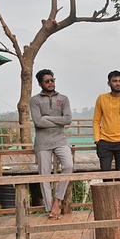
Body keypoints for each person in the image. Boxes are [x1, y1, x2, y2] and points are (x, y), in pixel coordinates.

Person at [30, 69, 74, 220]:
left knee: (68, 165)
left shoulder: (63, 98)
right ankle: (51, 209)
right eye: (47, 81)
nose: (51, 83)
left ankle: (57, 200)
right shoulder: (35, 100)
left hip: (60, 139)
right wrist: (56, 119)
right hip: (42, 142)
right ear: (40, 83)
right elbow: (37, 121)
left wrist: (47, 117)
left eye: (52, 80)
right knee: (44, 175)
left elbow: (68, 119)